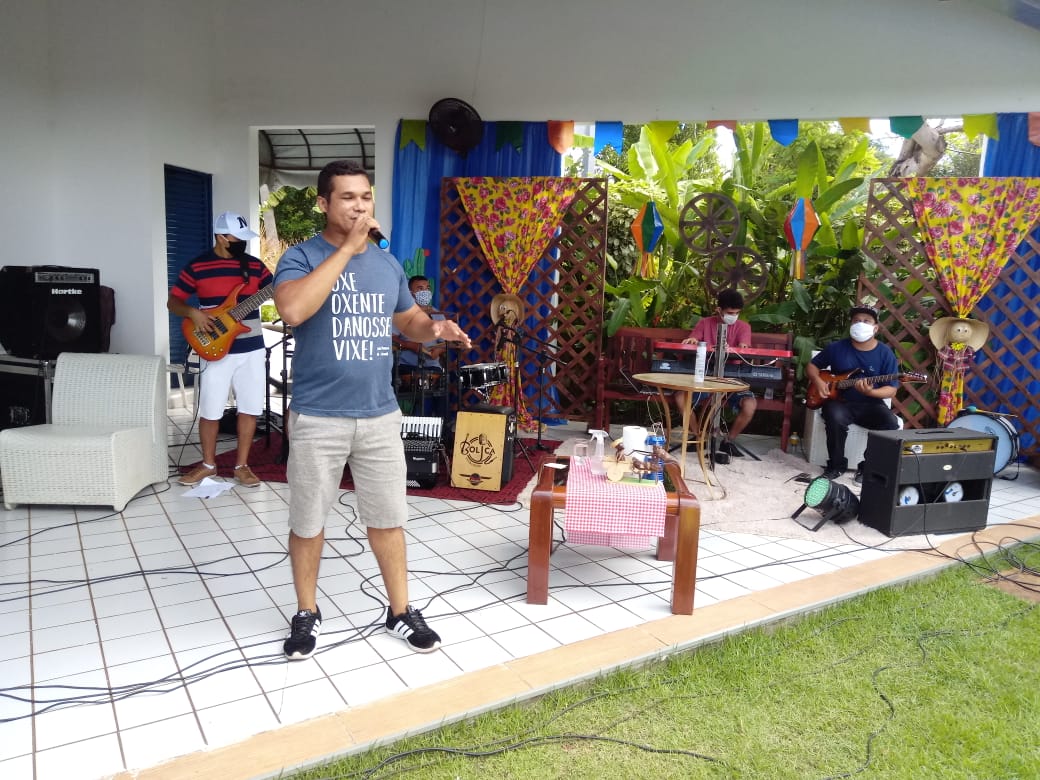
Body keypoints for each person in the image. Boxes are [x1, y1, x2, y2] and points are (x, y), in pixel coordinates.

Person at [273, 159, 472, 660]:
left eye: (365, 197)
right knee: (308, 521)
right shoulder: (300, 257)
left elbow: (408, 320)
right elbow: (292, 310)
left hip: (380, 414)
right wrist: (346, 249)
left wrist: (435, 328)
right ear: (323, 203)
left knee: (388, 517)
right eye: (348, 198)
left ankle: (400, 611)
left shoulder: (387, 263)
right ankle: (306, 611)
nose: (360, 206)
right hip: (318, 415)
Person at [168, 211, 270, 488]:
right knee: (210, 409)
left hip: (252, 349)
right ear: (222, 237)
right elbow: (173, 301)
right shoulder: (197, 266)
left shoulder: (255, 266)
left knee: (250, 408)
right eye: (238, 238)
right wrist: (193, 313)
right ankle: (208, 465)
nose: (243, 243)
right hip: (214, 348)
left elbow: (278, 290)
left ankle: (242, 466)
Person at [806, 303, 901, 483]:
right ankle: (835, 466)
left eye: (866, 321)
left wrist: (871, 392)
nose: (860, 324)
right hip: (840, 402)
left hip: (870, 404)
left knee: (890, 423)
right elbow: (812, 366)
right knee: (834, 416)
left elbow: (891, 390)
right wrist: (818, 381)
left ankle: (867, 467)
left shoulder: (885, 353)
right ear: (851, 324)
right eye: (856, 320)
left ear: (875, 328)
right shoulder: (836, 348)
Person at [673, 289, 757, 457]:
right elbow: (694, 338)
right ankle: (699, 438)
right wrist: (692, 341)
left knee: (750, 405)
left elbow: (744, 347)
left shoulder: (744, 327)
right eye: (730, 313)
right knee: (680, 397)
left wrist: (736, 348)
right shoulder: (704, 323)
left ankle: (729, 441)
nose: (734, 316)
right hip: (705, 377)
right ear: (719, 310)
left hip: (732, 380)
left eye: (737, 313)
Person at [392, 276, 448, 411]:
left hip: (433, 368)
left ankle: (443, 422)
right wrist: (409, 345)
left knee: (444, 387)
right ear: (410, 293)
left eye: (427, 288)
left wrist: (439, 350)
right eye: (420, 289)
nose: (425, 292)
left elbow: (445, 342)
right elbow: (391, 337)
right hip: (407, 367)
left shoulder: (437, 314)